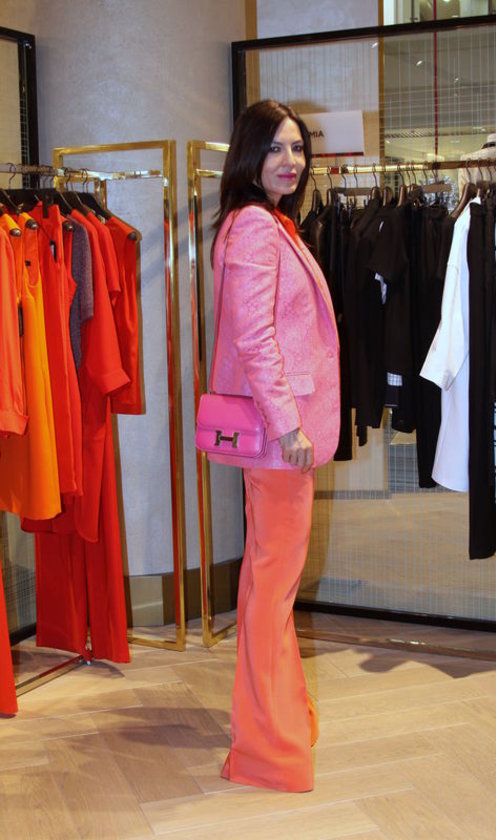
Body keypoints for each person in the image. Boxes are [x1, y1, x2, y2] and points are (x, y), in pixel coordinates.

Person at [209, 99, 340, 792]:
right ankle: (267, 747)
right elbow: (255, 338)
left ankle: (278, 723)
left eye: (298, 148)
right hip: (279, 440)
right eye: (275, 148)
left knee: (269, 582)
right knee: (271, 589)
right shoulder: (258, 228)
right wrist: (289, 425)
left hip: (276, 439)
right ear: (249, 155)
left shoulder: (259, 221)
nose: (290, 161)